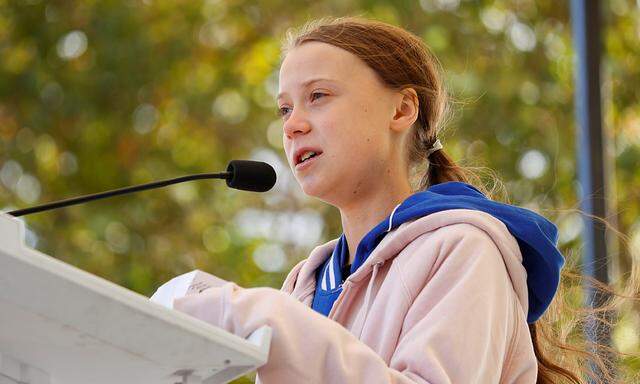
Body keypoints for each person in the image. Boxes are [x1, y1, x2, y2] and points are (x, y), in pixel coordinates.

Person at [174, 17, 610, 383]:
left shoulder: (463, 249)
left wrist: (264, 316)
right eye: (285, 109)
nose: (292, 126)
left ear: (402, 110)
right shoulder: (304, 285)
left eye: (318, 96)